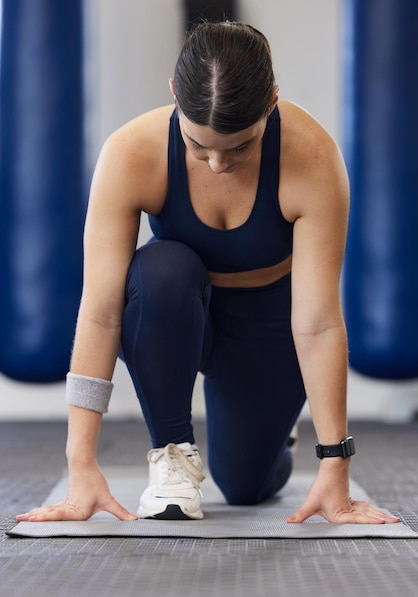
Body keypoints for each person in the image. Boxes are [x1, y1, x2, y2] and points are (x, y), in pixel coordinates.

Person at [17, 20, 399, 525]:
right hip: (172, 312)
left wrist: (335, 465)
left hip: (270, 323)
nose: (218, 163)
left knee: (244, 487)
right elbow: (102, 313)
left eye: (239, 147)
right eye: (199, 146)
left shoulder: (310, 155)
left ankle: (272, 435)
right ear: (175, 94)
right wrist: (80, 462)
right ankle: (172, 458)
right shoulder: (132, 153)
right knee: (162, 268)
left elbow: (318, 322)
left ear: (271, 104)